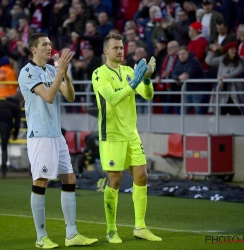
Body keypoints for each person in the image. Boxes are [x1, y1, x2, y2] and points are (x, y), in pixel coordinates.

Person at [18, 33, 98, 249]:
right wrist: (61, 71)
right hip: (40, 136)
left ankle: (71, 234)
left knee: (70, 178)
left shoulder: (52, 70)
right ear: (33, 49)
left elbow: (70, 96)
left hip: (56, 135)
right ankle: (41, 237)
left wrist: (66, 75)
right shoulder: (27, 72)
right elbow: (49, 96)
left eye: (50, 44)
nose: (49, 47)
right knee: (41, 181)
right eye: (44, 44)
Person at [91, 33, 162, 244]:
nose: (120, 51)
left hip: (131, 133)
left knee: (142, 176)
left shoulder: (130, 71)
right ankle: (111, 230)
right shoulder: (99, 74)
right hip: (111, 134)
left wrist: (147, 79)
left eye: (121, 47)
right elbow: (111, 99)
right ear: (106, 51)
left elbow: (148, 95)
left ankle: (140, 227)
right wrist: (132, 86)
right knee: (115, 180)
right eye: (115, 48)